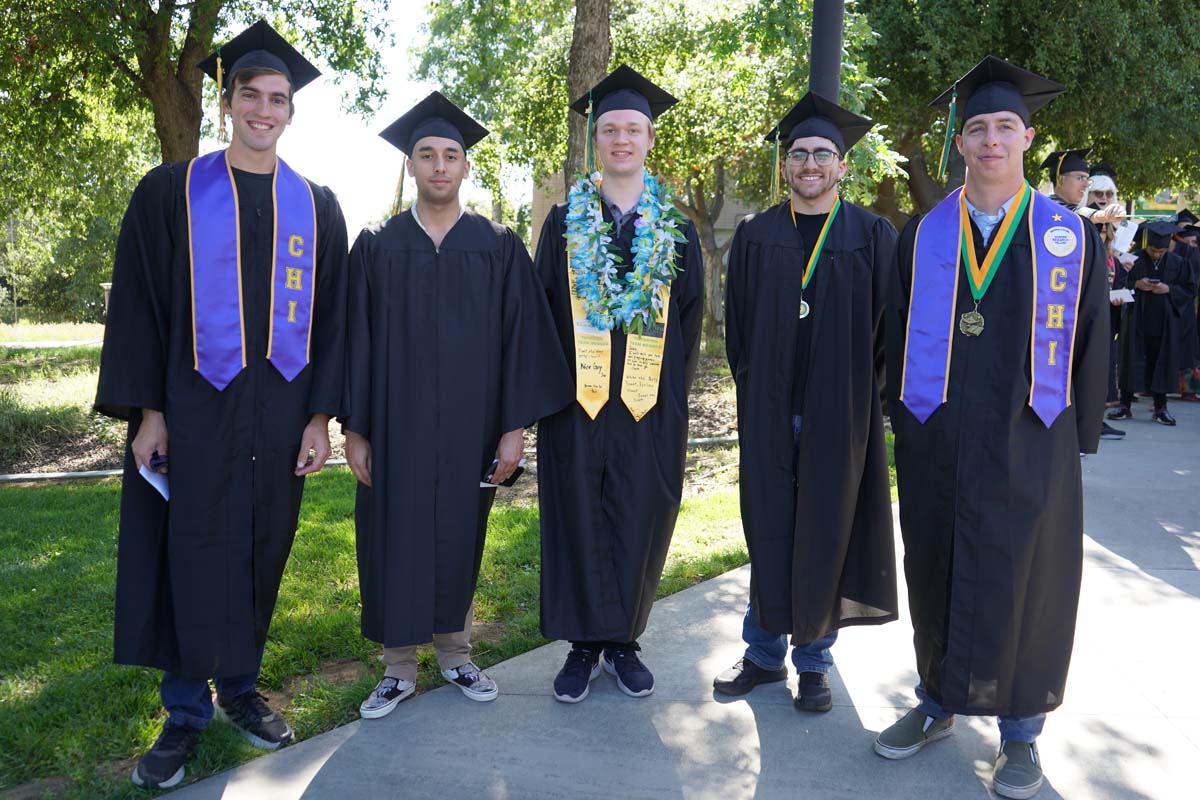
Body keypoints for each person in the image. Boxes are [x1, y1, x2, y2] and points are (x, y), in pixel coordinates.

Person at [94, 21, 348, 789]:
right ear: (227, 99)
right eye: (251, 96)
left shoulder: (319, 207)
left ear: (291, 111)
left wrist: (319, 417)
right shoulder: (170, 193)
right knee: (187, 551)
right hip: (193, 408)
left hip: (280, 416)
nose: (264, 110)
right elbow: (138, 306)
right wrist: (148, 412)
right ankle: (183, 713)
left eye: (278, 99)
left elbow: (334, 320)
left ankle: (239, 688)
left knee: (258, 549)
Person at [881, 56, 1108, 800]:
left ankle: (1021, 735)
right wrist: (902, 424)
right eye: (976, 127)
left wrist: (1076, 440)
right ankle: (938, 702)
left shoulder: (1067, 237)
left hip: (1028, 441)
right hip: (938, 442)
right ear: (961, 143)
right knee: (938, 565)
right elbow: (894, 332)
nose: (989, 140)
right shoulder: (921, 234)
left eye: (1003, 126)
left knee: (1027, 580)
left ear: (1027, 137)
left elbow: (1091, 342)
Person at [344, 93, 573, 718]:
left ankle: (456, 654)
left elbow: (522, 341)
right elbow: (355, 342)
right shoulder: (376, 245)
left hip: (474, 426)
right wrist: (355, 428)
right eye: (427, 155)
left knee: (459, 532)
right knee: (393, 536)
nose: (440, 166)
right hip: (395, 427)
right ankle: (396, 669)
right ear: (411, 166)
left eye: (451, 155)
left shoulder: (497, 247)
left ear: (466, 167)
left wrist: (512, 429)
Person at [714, 92, 898, 711]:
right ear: (785, 165)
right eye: (799, 154)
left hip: (839, 414)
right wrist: (758, 386)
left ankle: (813, 662)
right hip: (768, 412)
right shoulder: (756, 233)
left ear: (843, 165)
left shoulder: (872, 235)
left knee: (825, 532)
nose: (811, 163)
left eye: (823, 153)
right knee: (768, 530)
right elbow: (735, 327)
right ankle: (764, 655)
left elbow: (886, 330)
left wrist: (854, 398)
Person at [533, 65, 704, 703]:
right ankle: (582, 647)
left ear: (650, 139)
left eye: (633, 128)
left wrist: (667, 396)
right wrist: (549, 394)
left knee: (640, 513)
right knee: (577, 514)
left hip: (648, 404)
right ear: (595, 142)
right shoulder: (563, 224)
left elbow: (689, 315)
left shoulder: (677, 229)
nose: (622, 139)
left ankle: (624, 640)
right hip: (575, 403)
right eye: (610, 130)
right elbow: (541, 309)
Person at [1110, 221, 1196, 425]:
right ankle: (1124, 405)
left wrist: (1169, 289)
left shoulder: (1179, 262)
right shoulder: (1131, 260)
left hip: (1164, 324)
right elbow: (1115, 287)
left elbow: (1190, 291)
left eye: (1161, 250)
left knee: (1161, 363)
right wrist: (1136, 285)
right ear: (1146, 244)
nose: (1157, 254)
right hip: (1135, 320)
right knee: (1131, 360)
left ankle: (1161, 407)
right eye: (1153, 250)